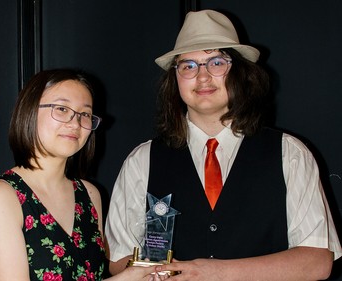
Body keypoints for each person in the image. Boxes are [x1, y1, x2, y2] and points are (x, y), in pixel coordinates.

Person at [104, 10, 342, 280]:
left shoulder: (290, 153)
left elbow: (317, 260)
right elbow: (119, 258)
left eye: (216, 62)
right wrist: (158, 272)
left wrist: (214, 272)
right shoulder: (142, 159)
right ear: (175, 78)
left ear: (240, 72)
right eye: (188, 66)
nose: (202, 77)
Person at [0, 69, 167, 281]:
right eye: (61, 109)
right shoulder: (1, 196)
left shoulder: (89, 194)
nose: (75, 123)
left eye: (84, 114)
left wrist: (145, 272)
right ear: (28, 111)